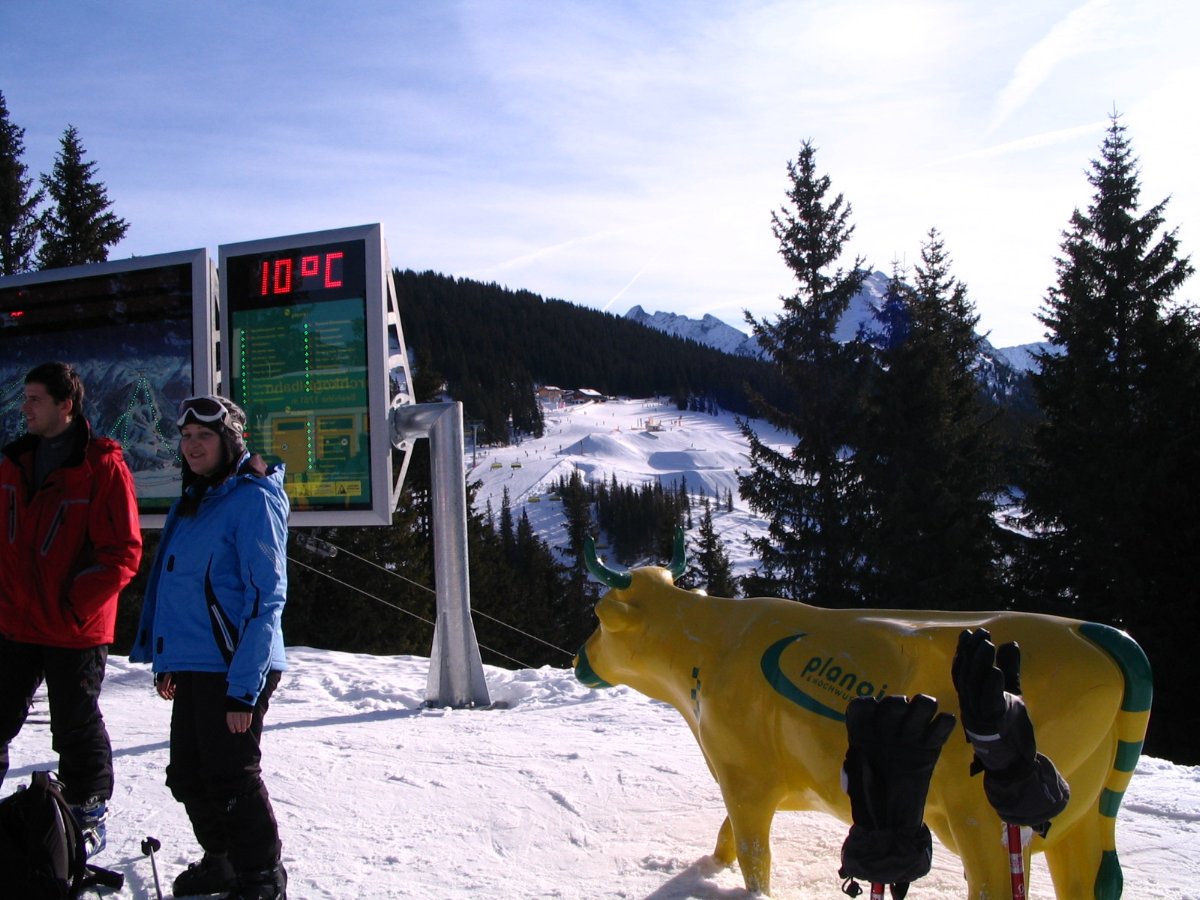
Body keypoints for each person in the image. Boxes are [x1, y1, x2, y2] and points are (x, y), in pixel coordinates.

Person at [130, 395, 290, 900]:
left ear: (230, 441)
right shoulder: (195, 500)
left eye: (205, 436)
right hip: (196, 662)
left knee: (230, 777)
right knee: (188, 776)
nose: (193, 445)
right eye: (186, 437)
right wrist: (169, 660)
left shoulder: (252, 499)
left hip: (237, 663)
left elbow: (267, 597)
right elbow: (177, 586)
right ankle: (222, 862)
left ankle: (262, 877)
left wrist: (244, 687)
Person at [0, 361, 143, 857]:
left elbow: (123, 552)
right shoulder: (13, 463)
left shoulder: (101, 466)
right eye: (25, 397)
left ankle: (86, 812)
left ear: (66, 405)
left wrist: (73, 603)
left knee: (74, 725)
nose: (25, 407)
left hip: (73, 628)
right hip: (16, 621)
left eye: (35, 399)